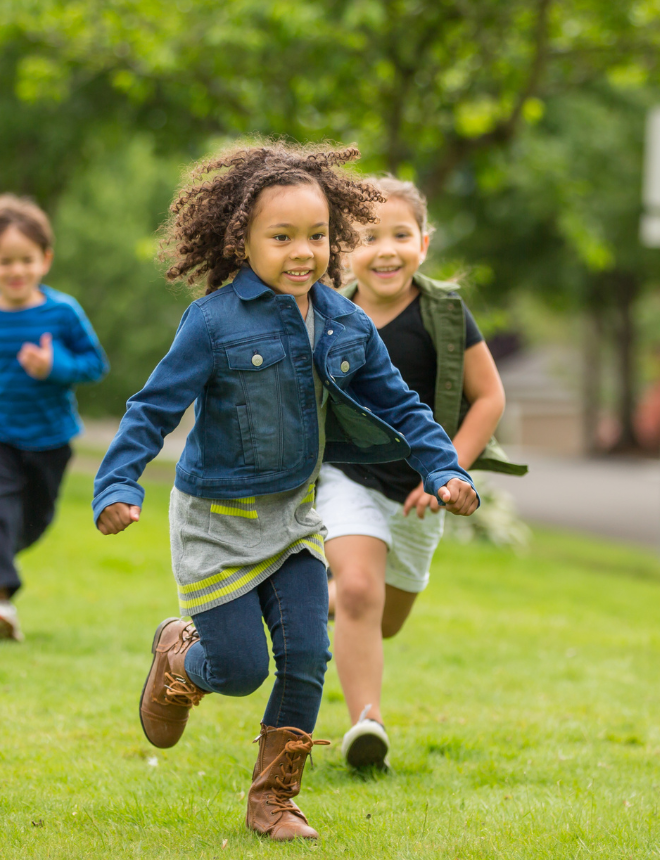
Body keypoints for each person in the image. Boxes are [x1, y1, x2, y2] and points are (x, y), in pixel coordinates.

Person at [92, 143, 479, 842]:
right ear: (242, 241)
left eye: (318, 235)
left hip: (295, 518)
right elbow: (152, 408)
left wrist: (444, 467)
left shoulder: (342, 321)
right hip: (216, 522)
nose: (304, 252)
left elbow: (401, 403)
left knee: (306, 653)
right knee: (237, 670)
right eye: (282, 237)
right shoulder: (212, 323)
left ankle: (274, 800)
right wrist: (117, 482)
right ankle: (179, 658)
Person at [318, 176, 521, 770]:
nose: (385, 249)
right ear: (342, 249)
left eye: (400, 235)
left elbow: (489, 398)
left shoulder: (446, 314)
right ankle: (367, 724)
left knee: (386, 619)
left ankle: (327, 597)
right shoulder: (327, 313)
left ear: (424, 243)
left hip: (418, 493)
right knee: (360, 590)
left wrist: (446, 472)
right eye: (367, 236)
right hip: (344, 477)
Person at [0, 195, 108, 642]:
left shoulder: (62, 312)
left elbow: (94, 364)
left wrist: (54, 368)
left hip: (51, 440)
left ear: (45, 260)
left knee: (31, 523)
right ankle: (0, 604)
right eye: (4, 261)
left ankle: (2, 556)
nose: (16, 270)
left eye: (26, 260)